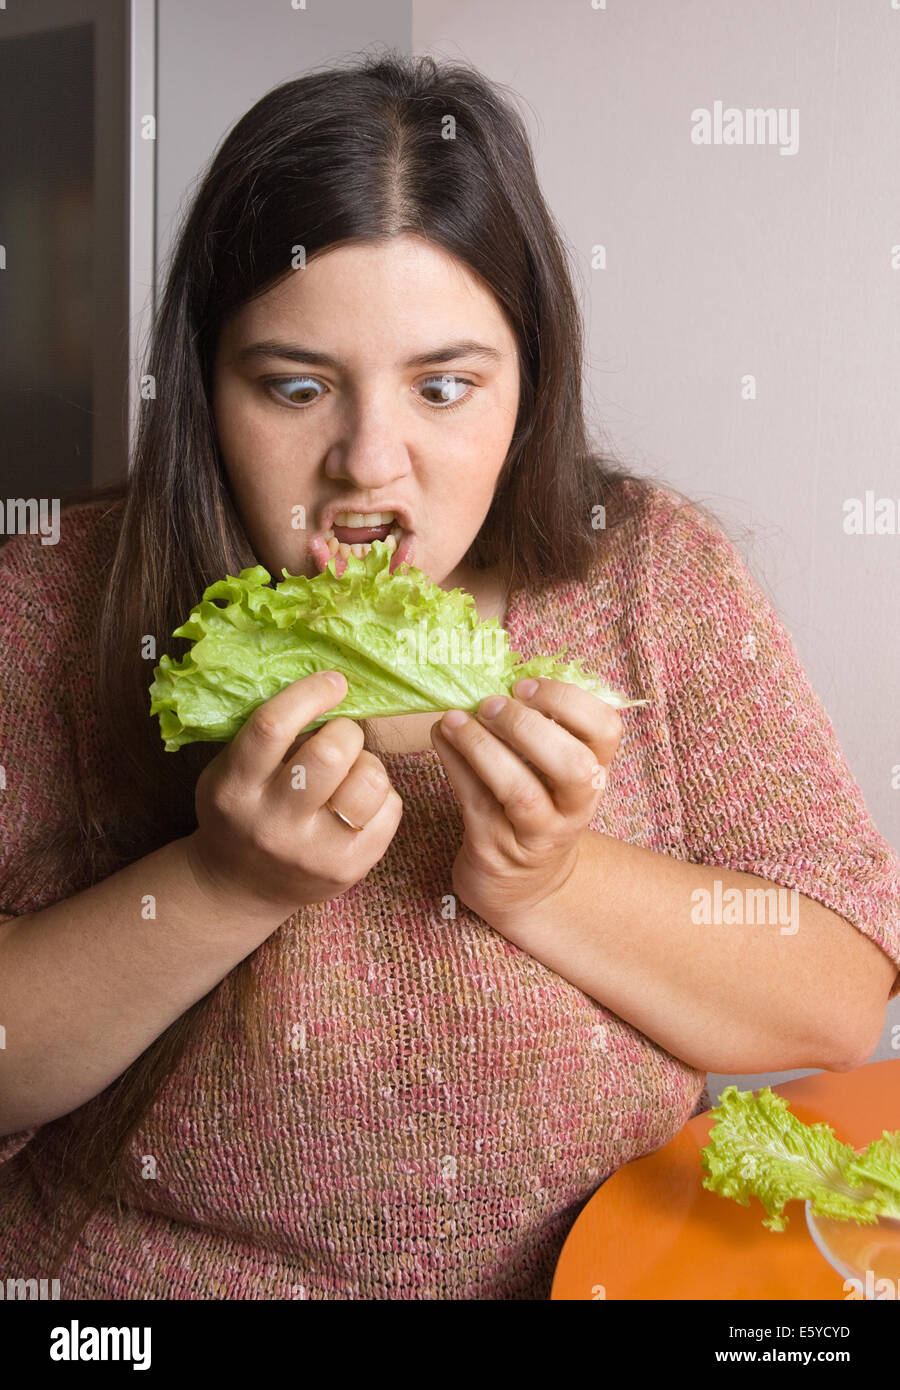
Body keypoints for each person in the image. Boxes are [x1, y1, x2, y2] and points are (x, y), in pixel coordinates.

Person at [0, 51, 897, 1302]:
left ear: (528, 391)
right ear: (205, 391)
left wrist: (553, 878)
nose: (371, 462)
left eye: (445, 386)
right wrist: (220, 884)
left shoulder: (649, 575)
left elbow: (840, 1001)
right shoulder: (46, 594)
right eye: (297, 386)